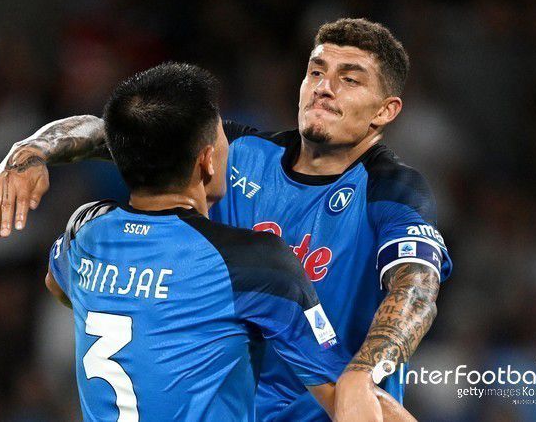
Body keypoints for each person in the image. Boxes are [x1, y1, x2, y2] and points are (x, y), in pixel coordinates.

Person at [0, 18, 448, 421]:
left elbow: (416, 289)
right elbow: (128, 131)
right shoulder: (240, 150)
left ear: (386, 110)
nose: (324, 87)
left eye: (349, 79)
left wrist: (363, 373)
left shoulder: (391, 191)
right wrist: (30, 151)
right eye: (316, 71)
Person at [46, 62, 354, 421]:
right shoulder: (254, 261)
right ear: (206, 160)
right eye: (222, 136)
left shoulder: (86, 230)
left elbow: (56, 284)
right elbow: (344, 398)